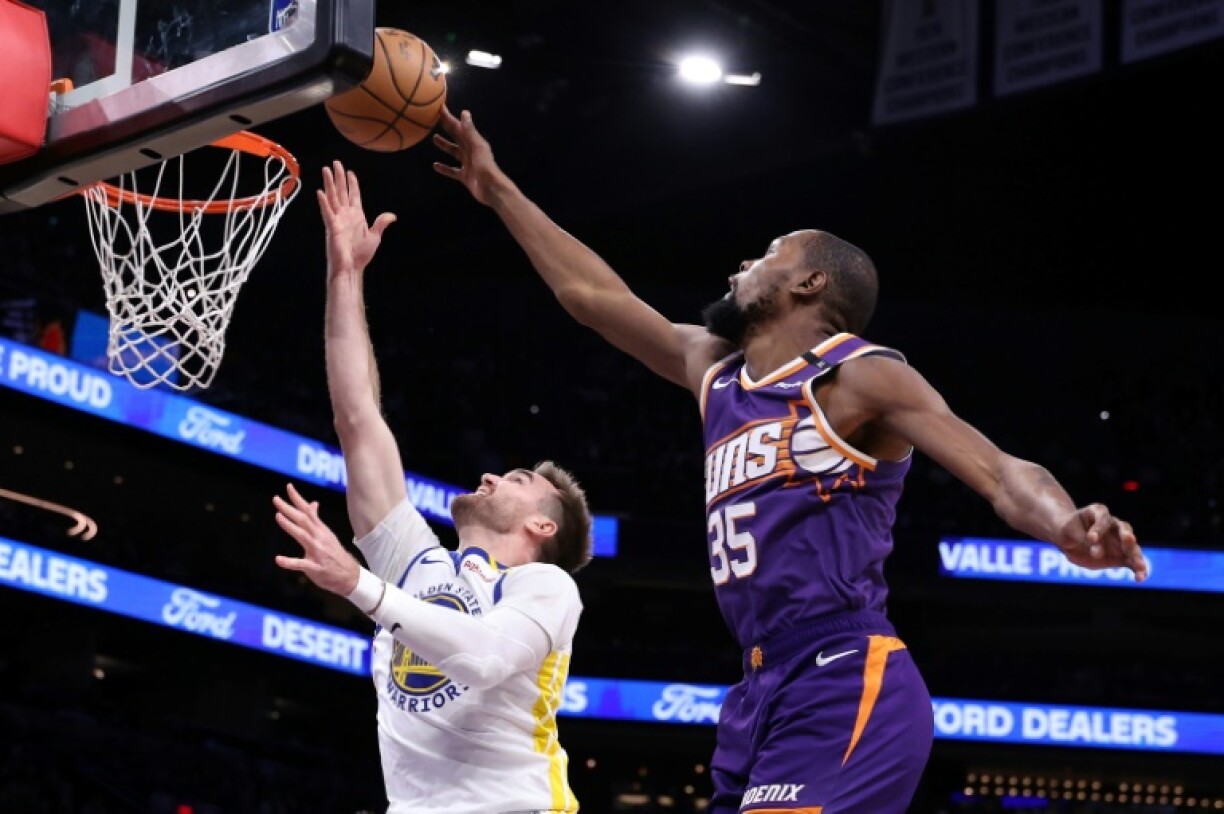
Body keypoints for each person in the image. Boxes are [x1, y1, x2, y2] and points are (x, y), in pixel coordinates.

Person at [431, 110, 1149, 813]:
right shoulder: (714, 370)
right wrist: (498, 189)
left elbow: (997, 470)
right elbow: (592, 297)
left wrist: (1065, 525)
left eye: (769, 254)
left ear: (809, 285)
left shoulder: (858, 375)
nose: (744, 265)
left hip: (843, 671)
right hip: (756, 687)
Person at [271, 160, 594, 814]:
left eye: (518, 480)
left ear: (542, 527)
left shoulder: (544, 587)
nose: (490, 475)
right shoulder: (414, 561)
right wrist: (345, 275)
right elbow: (358, 417)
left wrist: (356, 583)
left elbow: (481, 657)